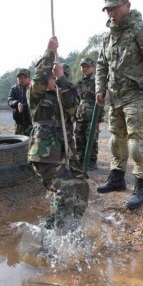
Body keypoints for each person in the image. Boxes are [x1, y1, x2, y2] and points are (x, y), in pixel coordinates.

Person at [95, 0, 143, 210]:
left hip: (136, 94)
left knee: (137, 141)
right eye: (108, 10)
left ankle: (141, 185)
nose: (111, 14)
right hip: (115, 97)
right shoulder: (107, 36)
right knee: (116, 139)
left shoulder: (140, 30)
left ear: (127, 6)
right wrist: (100, 89)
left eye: (114, 8)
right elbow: (101, 65)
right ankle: (117, 179)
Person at [28, 36, 89, 230]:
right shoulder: (36, 96)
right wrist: (49, 51)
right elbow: (38, 78)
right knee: (65, 190)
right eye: (51, 77)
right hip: (46, 154)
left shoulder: (64, 96)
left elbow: (74, 107)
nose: (51, 80)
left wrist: (62, 78)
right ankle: (57, 237)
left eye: (54, 77)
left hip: (67, 154)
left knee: (81, 187)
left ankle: (71, 227)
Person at [74, 57, 103, 171]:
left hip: (93, 114)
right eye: (83, 66)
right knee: (79, 138)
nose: (84, 68)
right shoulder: (79, 83)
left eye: (87, 66)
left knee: (91, 138)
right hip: (80, 114)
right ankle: (81, 160)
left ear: (93, 67)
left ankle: (92, 161)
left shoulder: (98, 82)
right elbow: (76, 99)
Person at [7, 68, 32, 136]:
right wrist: (17, 103)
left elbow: (35, 102)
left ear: (29, 78)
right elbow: (10, 100)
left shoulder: (33, 88)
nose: (22, 80)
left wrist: (24, 106)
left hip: (31, 123)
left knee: (31, 143)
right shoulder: (14, 89)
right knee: (18, 143)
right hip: (19, 123)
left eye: (25, 78)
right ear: (17, 79)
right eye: (20, 78)